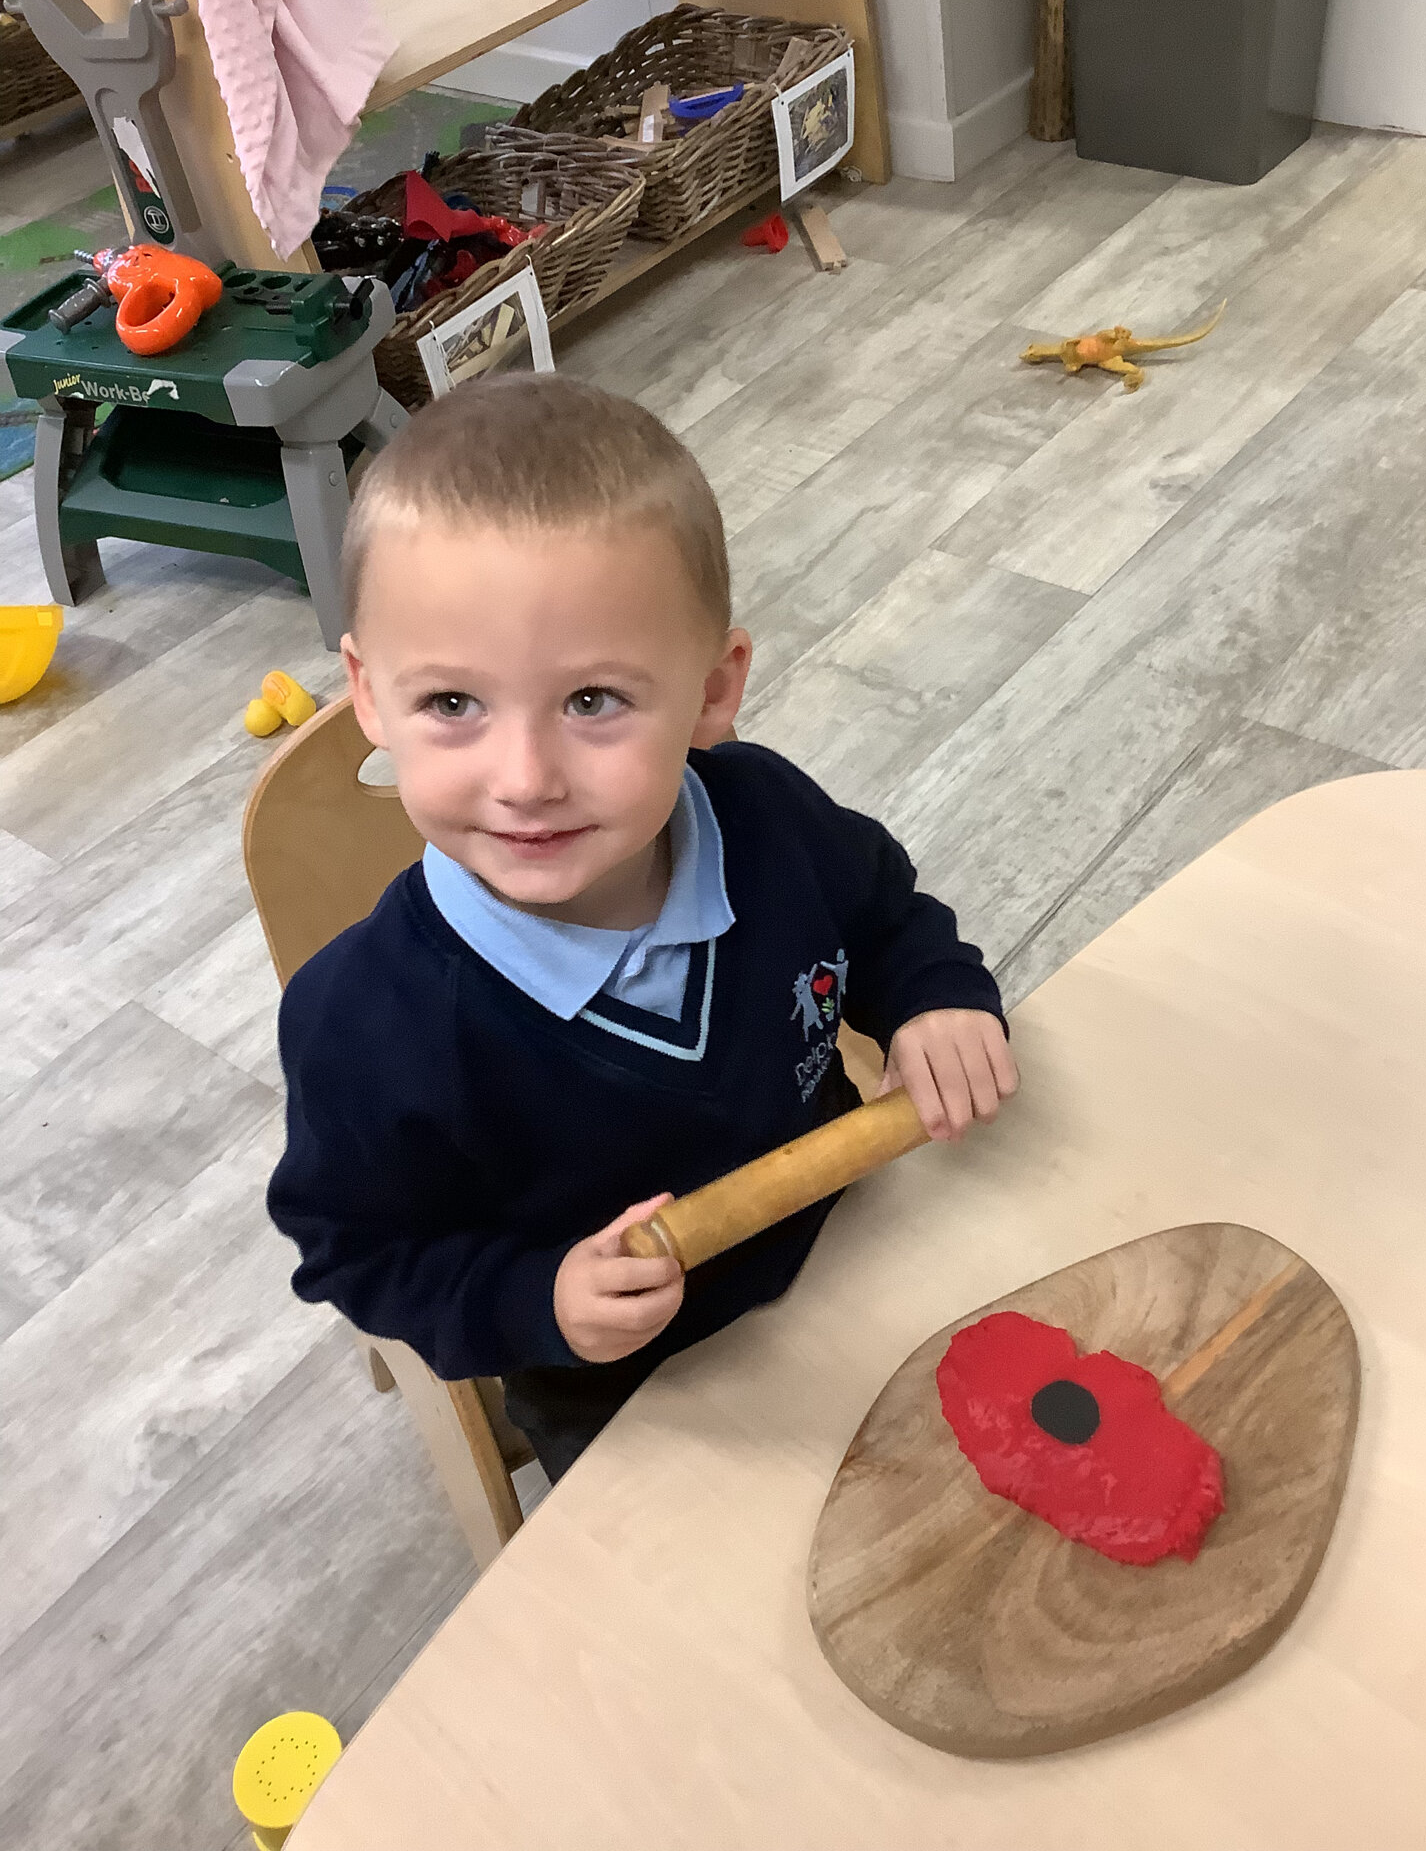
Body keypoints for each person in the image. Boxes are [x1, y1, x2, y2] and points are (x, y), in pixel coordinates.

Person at [268, 374, 1017, 1482]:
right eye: (452, 704)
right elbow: (364, 1254)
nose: (526, 780)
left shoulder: (765, 813)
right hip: (631, 1399)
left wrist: (936, 994)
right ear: (370, 697)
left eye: (592, 701)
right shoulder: (361, 1024)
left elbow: (882, 910)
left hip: (862, 1255)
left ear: (714, 689)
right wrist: (540, 1301)